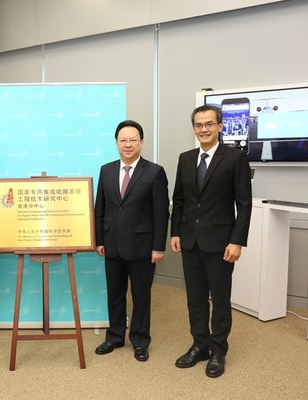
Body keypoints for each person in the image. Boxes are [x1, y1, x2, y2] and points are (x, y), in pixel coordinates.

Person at [170, 105, 252, 378]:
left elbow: (244, 203)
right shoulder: (185, 158)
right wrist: (176, 232)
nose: (203, 129)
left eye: (208, 124)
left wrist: (237, 241)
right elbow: (179, 199)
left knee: (220, 299)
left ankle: (218, 350)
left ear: (220, 127)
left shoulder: (235, 158)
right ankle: (200, 345)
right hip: (190, 241)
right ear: (193, 128)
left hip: (220, 243)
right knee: (195, 299)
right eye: (198, 125)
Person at [94, 120, 170, 362]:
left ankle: (140, 340)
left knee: (141, 296)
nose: (128, 144)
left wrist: (159, 246)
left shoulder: (155, 172)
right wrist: (99, 239)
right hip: (112, 245)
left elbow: (161, 213)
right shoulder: (106, 170)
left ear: (141, 143)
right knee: (114, 294)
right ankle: (115, 336)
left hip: (142, 248)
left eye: (133, 140)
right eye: (123, 140)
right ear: (116, 143)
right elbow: (100, 208)